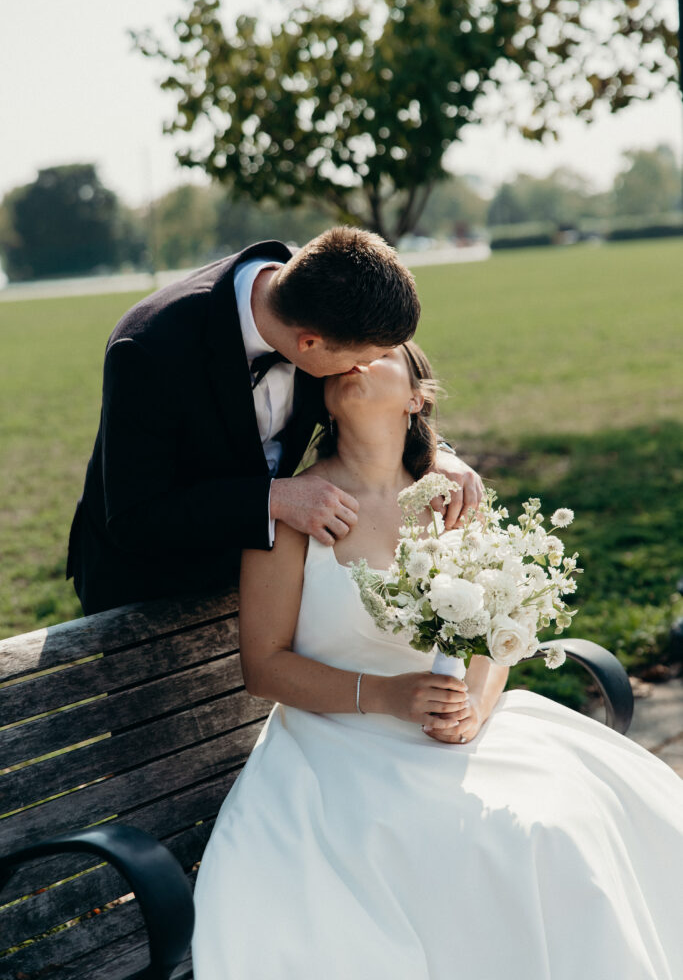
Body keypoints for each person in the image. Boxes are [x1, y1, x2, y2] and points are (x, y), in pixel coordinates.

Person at [191, 340, 683, 980]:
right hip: (335, 752)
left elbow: (497, 632)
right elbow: (264, 667)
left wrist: (473, 706)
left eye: (380, 352)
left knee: (576, 820)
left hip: (455, 737)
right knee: (501, 841)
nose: (356, 359)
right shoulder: (291, 510)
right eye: (344, 354)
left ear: (416, 397)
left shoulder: (452, 499)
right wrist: (387, 696)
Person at [66, 226, 483, 615]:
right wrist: (273, 500)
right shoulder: (147, 350)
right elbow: (135, 517)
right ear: (309, 343)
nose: (361, 371)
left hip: (268, 579)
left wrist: (438, 455)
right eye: (359, 362)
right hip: (148, 589)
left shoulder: (325, 294)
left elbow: (387, 396)